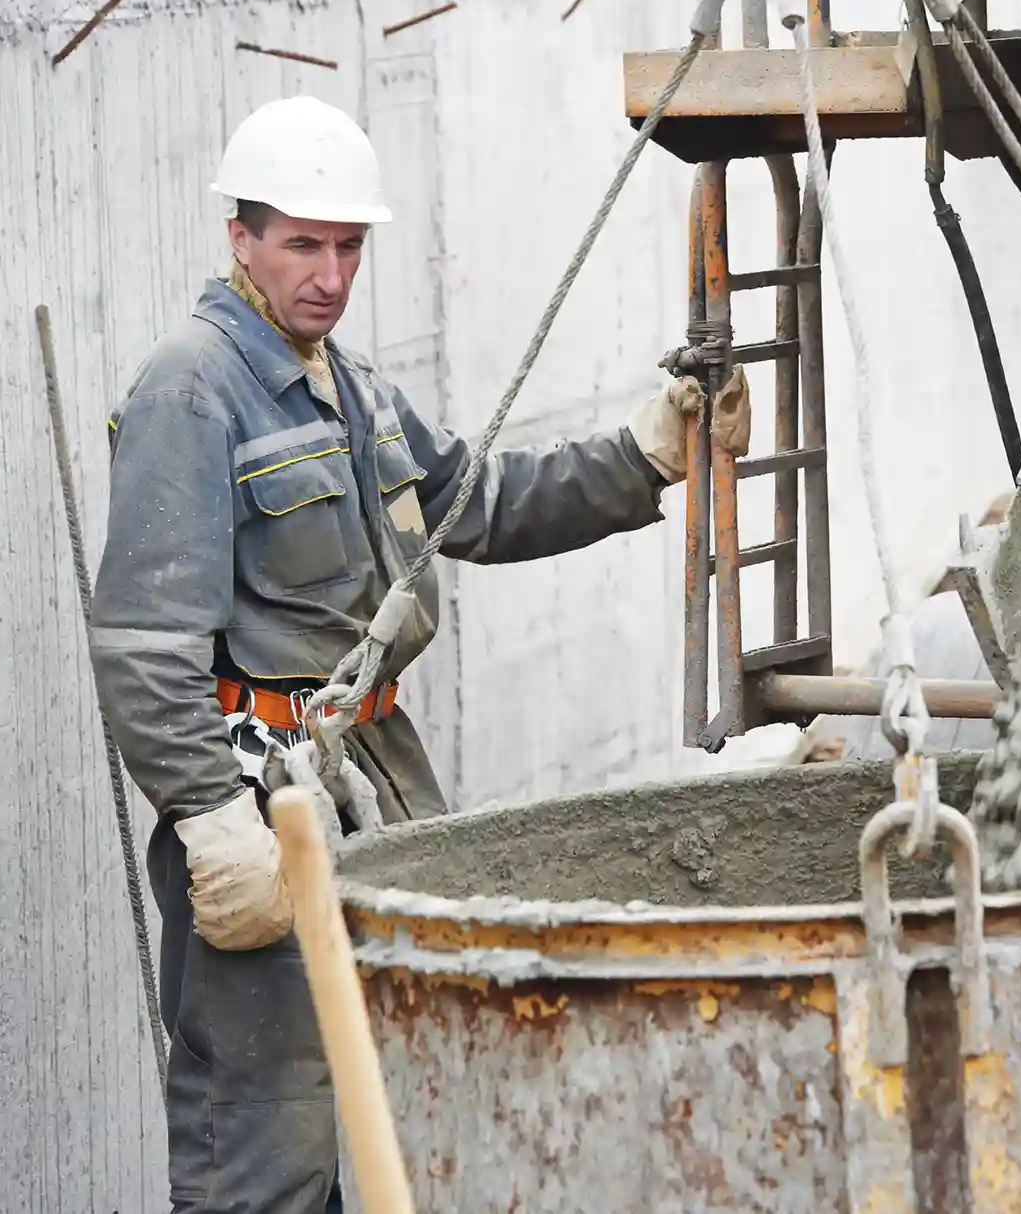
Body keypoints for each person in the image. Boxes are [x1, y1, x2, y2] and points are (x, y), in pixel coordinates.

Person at [87, 95, 749, 1213]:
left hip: (374, 787)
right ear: (240, 238)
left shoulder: (349, 384)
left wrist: (649, 454)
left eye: (349, 247)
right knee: (267, 1142)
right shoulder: (192, 389)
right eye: (304, 243)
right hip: (263, 805)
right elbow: (145, 645)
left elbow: (477, 506)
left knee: (396, 1112)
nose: (331, 275)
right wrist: (212, 820)